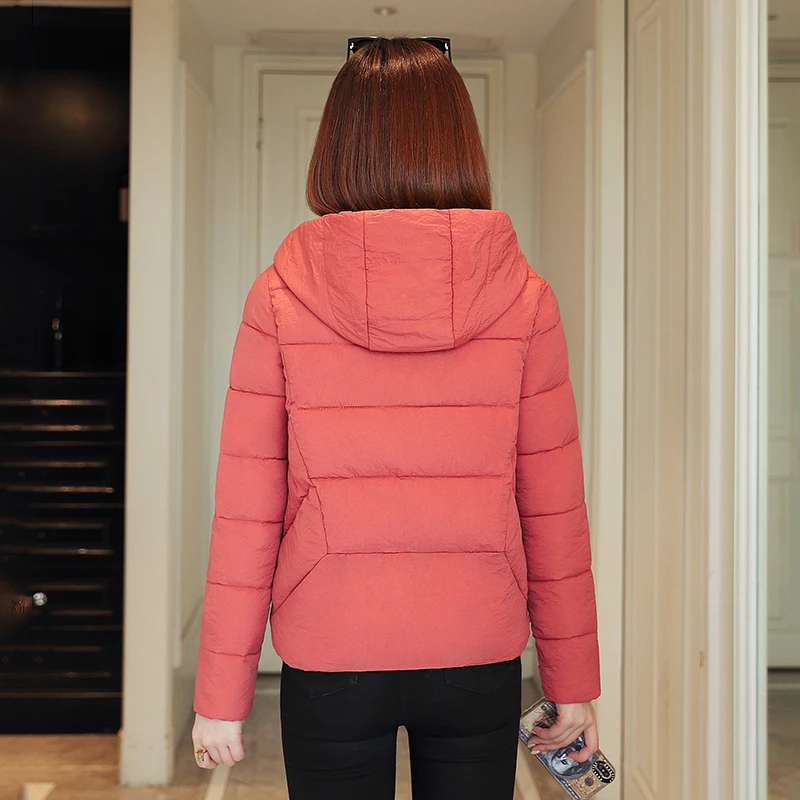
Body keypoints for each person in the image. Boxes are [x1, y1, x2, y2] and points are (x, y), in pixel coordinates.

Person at [191, 36, 601, 800]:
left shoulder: (277, 296)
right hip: (476, 650)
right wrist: (572, 682)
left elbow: (247, 510)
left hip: (331, 651)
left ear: (336, 146)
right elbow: (554, 510)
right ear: (460, 142)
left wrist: (221, 694)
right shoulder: (527, 298)